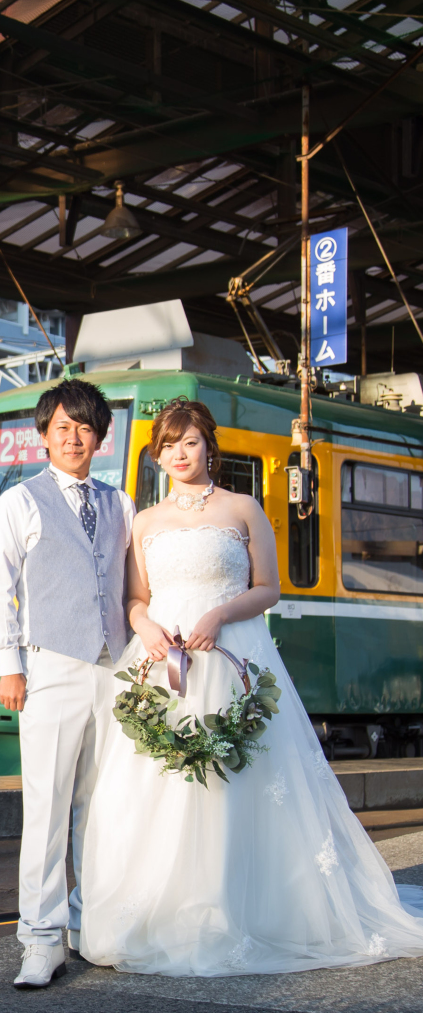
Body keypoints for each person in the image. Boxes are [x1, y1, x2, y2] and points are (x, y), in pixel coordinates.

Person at [80, 397, 423, 976]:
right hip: (165, 662)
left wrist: (220, 615)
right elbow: (134, 598)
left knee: (243, 778)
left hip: (233, 653)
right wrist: (147, 628)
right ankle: (168, 908)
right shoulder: (145, 520)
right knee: (158, 782)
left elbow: (271, 588)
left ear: (208, 446)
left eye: (189, 442)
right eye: (167, 446)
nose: (179, 455)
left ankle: (243, 907)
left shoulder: (244, 509)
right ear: (157, 455)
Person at [0, 378, 136, 988]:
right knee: (46, 810)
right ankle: (40, 940)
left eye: (85, 427)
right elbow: (0, 592)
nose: (74, 437)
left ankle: (90, 927)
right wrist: (8, 667)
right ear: (43, 436)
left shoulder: (121, 503)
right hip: (49, 667)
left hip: (116, 672)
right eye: (63, 428)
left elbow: (131, 587)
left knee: (102, 809)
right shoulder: (18, 502)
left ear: (101, 436)